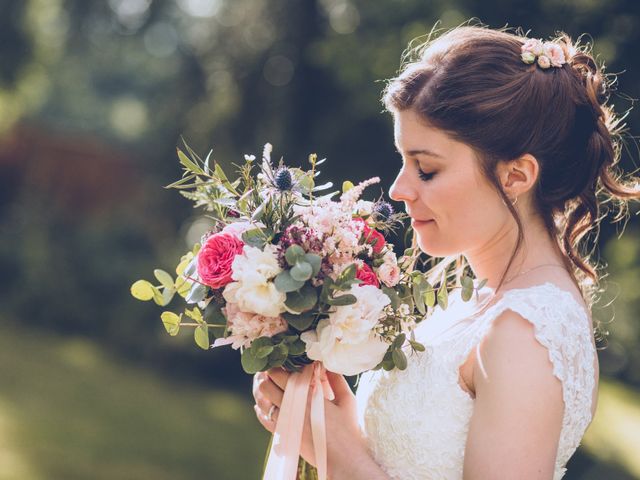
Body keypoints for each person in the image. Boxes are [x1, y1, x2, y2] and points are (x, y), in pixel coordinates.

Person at [252, 24, 640, 479]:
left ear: (516, 176)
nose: (398, 189)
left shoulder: (525, 334)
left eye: (427, 169)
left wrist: (342, 457)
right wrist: (331, 425)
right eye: (403, 162)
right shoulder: (478, 301)